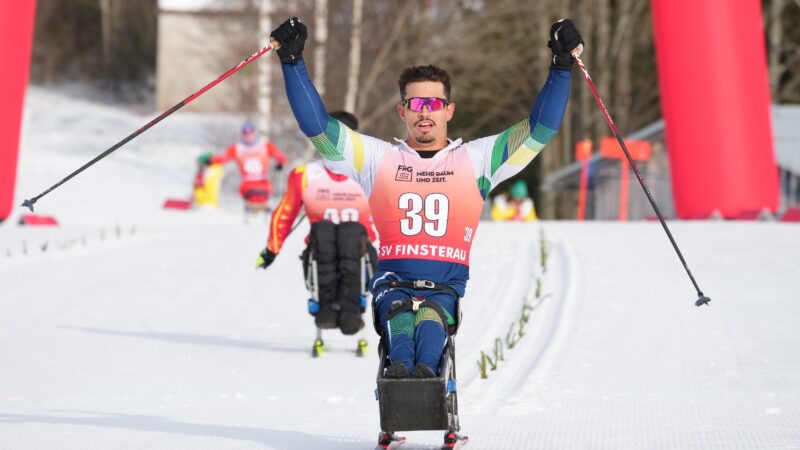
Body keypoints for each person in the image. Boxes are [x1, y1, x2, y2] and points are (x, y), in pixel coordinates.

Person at [270, 17, 582, 378]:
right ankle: (402, 382)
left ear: (449, 110)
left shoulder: (478, 160)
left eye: (433, 103)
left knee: (431, 327)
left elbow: (540, 130)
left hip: (444, 286)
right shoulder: (376, 159)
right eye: (415, 103)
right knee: (401, 329)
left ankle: (425, 386)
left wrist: (561, 68)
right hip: (392, 284)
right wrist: (292, 63)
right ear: (402, 110)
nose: (424, 111)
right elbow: (318, 128)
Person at [256, 111, 378, 335]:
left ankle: (351, 306)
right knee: (324, 230)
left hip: (360, 250)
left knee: (351, 232)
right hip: (321, 248)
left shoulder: (372, 172)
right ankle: (327, 305)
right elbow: (285, 213)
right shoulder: (305, 175)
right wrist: (272, 249)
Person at [211, 122, 288, 210]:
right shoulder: (237, 148)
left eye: (250, 133)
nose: (248, 136)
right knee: (252, 200)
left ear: (254, 133)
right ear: (242, 134)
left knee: (262, 200)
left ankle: (263, 209)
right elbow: (223, 158)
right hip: (247, 182)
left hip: (262, 181)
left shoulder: (265, 146)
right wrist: (210, 160)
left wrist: (280, 164)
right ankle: (252, 209)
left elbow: (280, 156)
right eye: (245, 133)